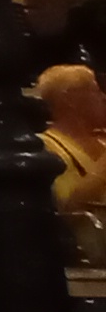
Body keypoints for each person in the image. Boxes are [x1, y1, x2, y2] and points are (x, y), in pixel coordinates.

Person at [40, 62, 106, 211]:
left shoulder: (101, 140)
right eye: (95, 91)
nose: (104, 97)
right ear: (70, 100)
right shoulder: (48, 146)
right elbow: (67, 206)